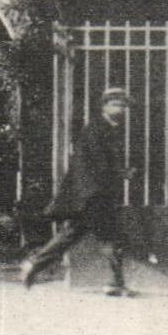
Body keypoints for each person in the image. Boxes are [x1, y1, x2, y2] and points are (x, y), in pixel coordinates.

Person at [20, 87, 137, 294]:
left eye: (124, 106)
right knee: (110, 237)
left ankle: (34, 263)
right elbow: (98, 164)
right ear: (104, 106)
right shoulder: (96, 129)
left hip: (91, 194)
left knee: (71, 235)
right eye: (116, 104)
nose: (121, 109)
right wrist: (122, 173)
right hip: (93, 194)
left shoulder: (107, 128)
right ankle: (115, 283)